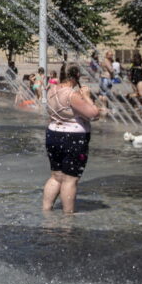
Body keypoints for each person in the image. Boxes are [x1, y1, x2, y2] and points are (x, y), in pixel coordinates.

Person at [42, 63, 101, 214]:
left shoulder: (52, 89)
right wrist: (87, 96)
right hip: (72, 138)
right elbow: (94, 114)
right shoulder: (71, 94)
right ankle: (68, 218)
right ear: (76, 76)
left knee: (56, 176)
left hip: (53, 133)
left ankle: (46, 211)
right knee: (70, 179)